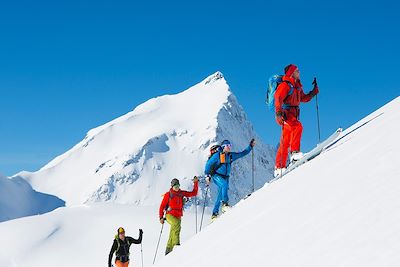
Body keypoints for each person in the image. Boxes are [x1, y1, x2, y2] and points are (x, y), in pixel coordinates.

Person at [274, 64, 319, 177]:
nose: (299, 72)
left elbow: (303, 98)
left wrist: (313, 93)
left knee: (285, 141)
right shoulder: (286, 85)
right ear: (291, 73)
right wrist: (279, 113)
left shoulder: (297, 86)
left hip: (293, 115)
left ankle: (279, 167)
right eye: (297, 71)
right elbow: (278, 97)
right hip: (286, 115)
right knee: (297, 127)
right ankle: (294, 153)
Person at [205, 139, 256, 220]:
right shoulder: (217, 155)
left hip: (226, 176)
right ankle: (225, 204)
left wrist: (250, 146)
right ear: (223, 147)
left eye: (230, 145)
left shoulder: (231, 155)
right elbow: (208, 165)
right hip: (216, 175)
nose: (229, 147)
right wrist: (207, 176)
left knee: (220, 194)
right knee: (224, 184)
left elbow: (242, 153)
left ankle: (214, 214)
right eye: (228, 145)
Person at [159, 177, 199, 255]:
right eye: (175, 186)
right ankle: (177, 244)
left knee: (174, 230)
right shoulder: (168, 194)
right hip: (169, 215)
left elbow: (194, 193)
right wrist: (161, 217)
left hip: (178, 215)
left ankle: (168, 249)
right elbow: (162, 206)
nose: (177, 188)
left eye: (178, 186)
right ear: (172, 187)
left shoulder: (181, 193)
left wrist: (196, 183)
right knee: (176, 225)